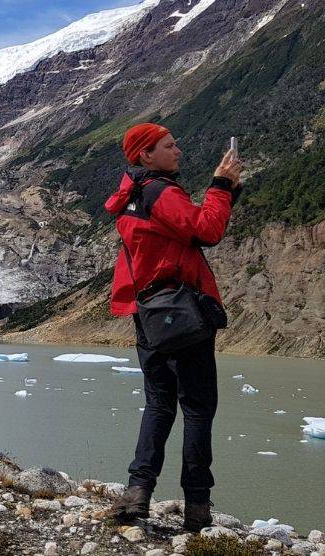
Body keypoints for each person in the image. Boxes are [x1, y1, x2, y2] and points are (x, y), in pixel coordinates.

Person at [104, 123, 242, 532]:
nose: (178, 150)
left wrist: (225, 192)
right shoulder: (160, 191)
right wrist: (220, 186)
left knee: (160, 404)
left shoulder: (131, 196)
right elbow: (206, 230)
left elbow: (180, 236)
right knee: (198, 410)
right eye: (169, 145)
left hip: (148, 316)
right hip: (182, 316)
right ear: (146, 155)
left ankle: (137, 494)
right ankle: (197, 510)